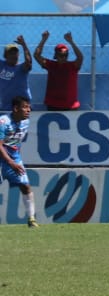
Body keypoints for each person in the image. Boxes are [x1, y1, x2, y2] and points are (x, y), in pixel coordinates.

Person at [0, 95, 38, 228]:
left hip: (14, 160)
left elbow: (15, 142)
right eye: (25, 107)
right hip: (4, 160)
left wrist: (16, 160)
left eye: (29, 107)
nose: (29, 110)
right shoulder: (3, 122)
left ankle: (32, 220)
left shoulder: (25, 122)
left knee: (25, 186)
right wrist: (11, 162)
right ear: (16, 108)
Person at [34, 31, 83, 111]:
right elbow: (36, 55)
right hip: (53, 104)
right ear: (56, 55)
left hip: (70, 105)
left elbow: (80, 57)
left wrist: (71, 42)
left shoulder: (72, 66)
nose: (63, 57)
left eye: (65, 55)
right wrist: (43, 40)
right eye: (61, 55)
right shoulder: (51, 65)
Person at [0, 38, 33, 110]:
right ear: (5, 55)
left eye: (15, 53)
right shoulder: (1, 65)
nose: (14, 55)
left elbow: (29, 62)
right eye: (11, 53)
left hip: (22, 108)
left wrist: (24, 45)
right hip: (5, 106)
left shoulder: (21, 68)